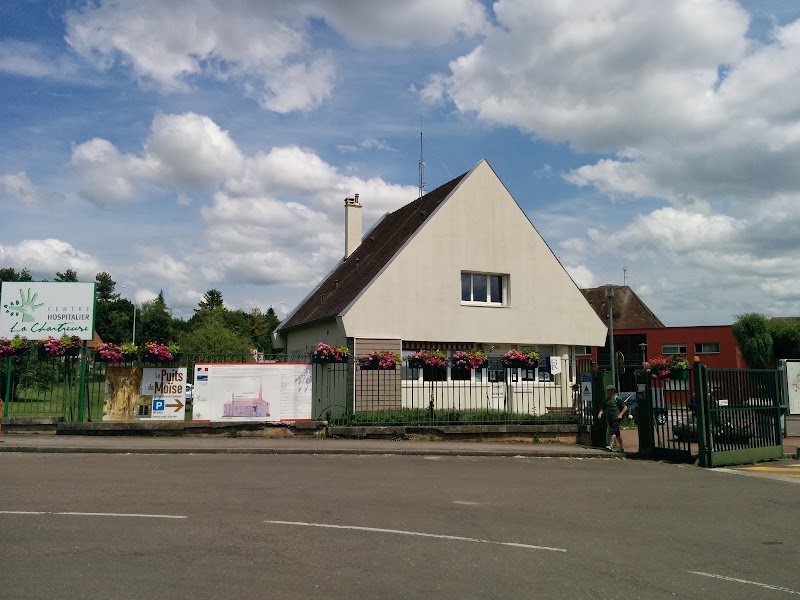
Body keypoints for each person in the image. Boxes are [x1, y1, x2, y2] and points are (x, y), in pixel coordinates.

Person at [598, 384, 628, 452]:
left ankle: (611, 445)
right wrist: (600, 412)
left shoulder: (617, 398)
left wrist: (620, 414)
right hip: (610, 418)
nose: (607, 391)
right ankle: (621, 447)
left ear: (612, 391)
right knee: (617, 433)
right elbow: (603, 407)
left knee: (613, 431)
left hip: (616, 418)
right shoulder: (606, 399)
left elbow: (625, 407)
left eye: (609, 390)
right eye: (607, 390)